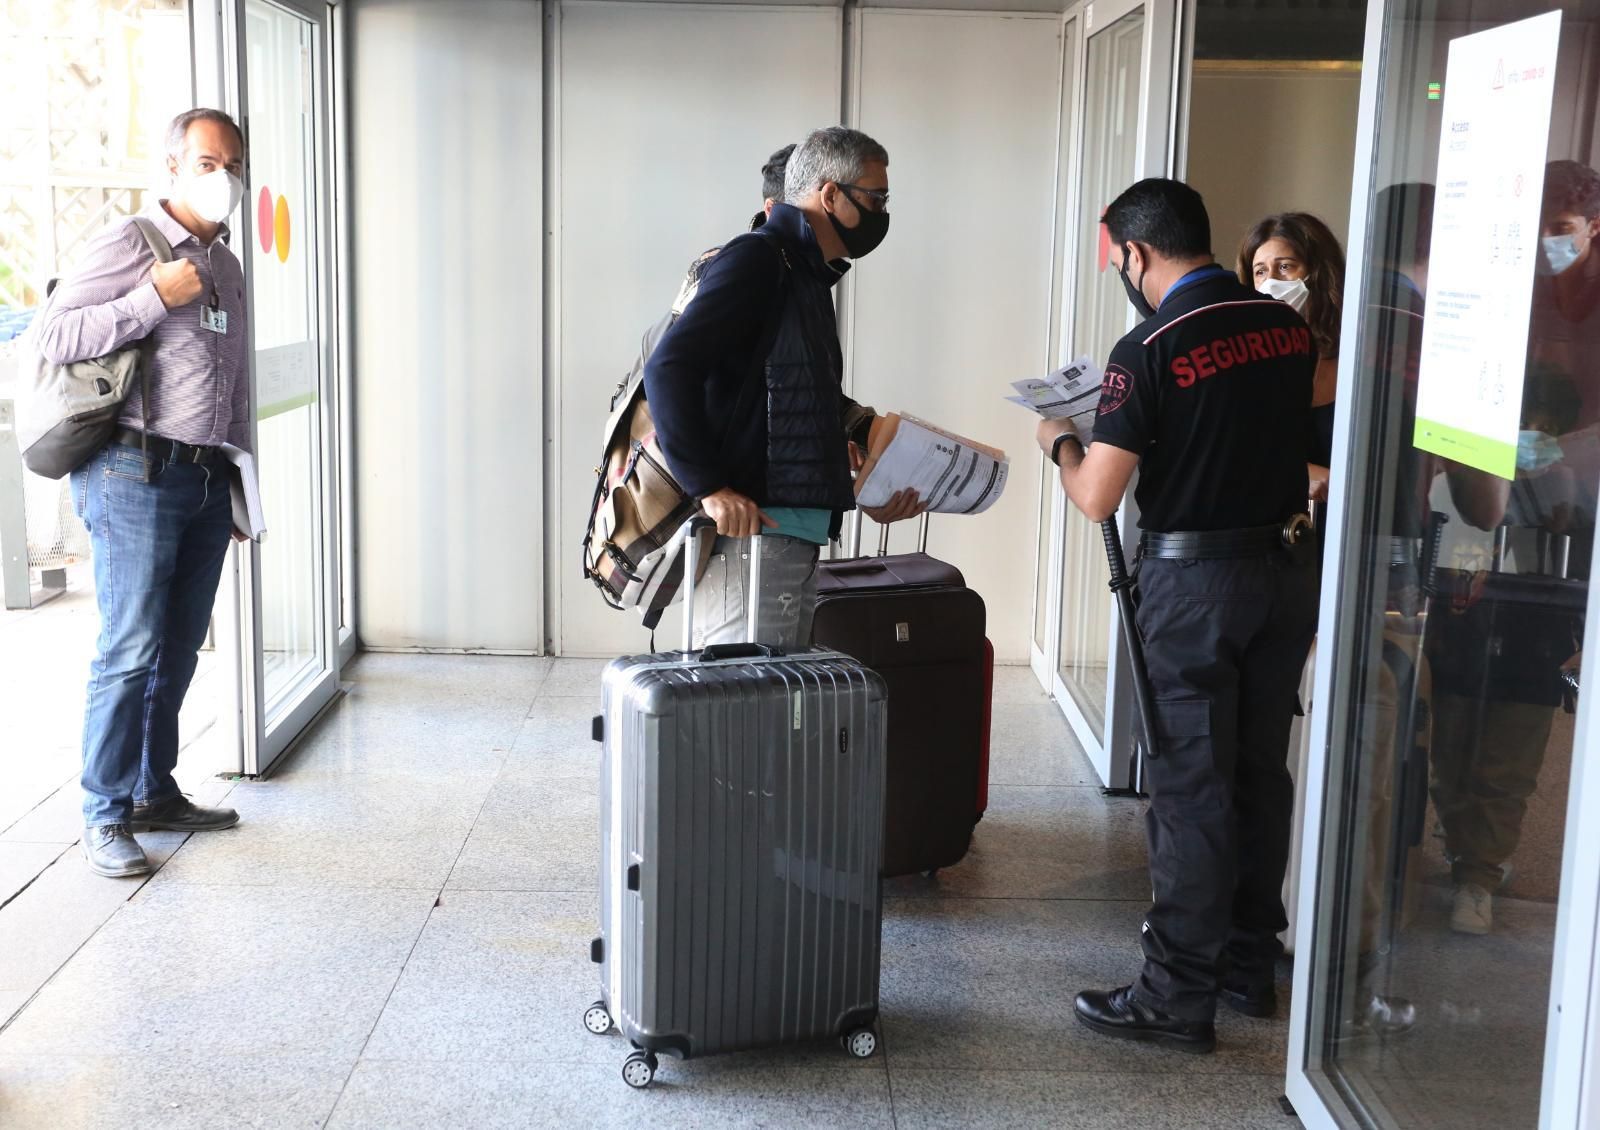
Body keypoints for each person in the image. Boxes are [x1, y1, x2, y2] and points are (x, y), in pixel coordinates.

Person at [1036, 178, 1319, 1053]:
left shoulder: (1148, 345)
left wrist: (1059, 440)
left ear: (1136, 254)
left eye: (1116, 255)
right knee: (1256, 774)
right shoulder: (1288, 328)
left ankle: (1173, 996)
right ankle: (1245, 964)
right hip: (1280, 574)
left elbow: (1097, 496)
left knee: (1190, 787)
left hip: (1194, 589)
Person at [33, 108, 250, 878]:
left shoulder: (226, 263)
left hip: (201, 476)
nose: (218, 174)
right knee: (128, 651)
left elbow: (236, 379)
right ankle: (104, 811)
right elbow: (52, 337)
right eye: (203, 161)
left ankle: (155, 790)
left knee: (181, 647)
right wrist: (153, 297)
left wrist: (238, 479)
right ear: (170, 166)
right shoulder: (131, 243)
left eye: (229, 161)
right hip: (131, 472)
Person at [643, 126, 920, 649]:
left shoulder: (806, 276)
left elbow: (789, 401)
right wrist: (709, 488)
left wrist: (867, 479)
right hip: (753, 534)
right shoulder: (758, 259)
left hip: (791, 530)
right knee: (742, 703)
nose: (883, 211)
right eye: (875, 197)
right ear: (830, 193)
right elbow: (669, 367)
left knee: (770, 706)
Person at [1427, 160, 1597, 936]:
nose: (1543, 245)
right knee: (1455, 699)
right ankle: (1456, 846)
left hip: (1564, 541)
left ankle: (1479, 869)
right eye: (1531, 230)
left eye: (1559, 231)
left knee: (1523, 707)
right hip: (1472, 526)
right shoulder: (1496, 303)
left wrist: (1561, 461)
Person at [1237, 212, 1346, 500]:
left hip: (1337, 528)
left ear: (1318, 273)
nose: (1271, 282)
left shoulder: (1353, 361)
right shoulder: (1243, 362)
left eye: (1285, 267)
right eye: (1260, 271)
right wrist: (1300, 473)